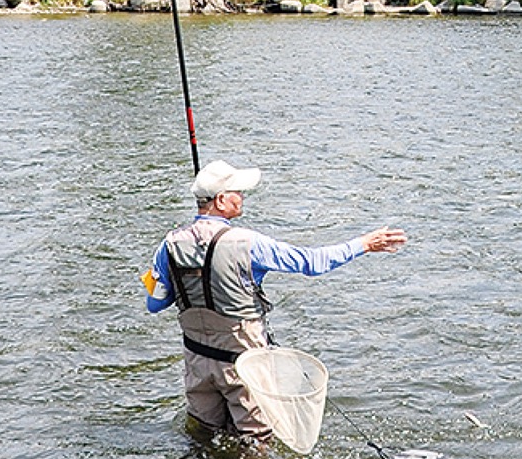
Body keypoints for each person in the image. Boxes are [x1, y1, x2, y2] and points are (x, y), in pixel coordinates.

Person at [143, 157, 406, 438]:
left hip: (197, 364)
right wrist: (364, 244)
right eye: (237, 192)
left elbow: (155, 304)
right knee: (256, 441)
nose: (242, 197)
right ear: (220, 200)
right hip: (244, 366)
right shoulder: (249, 243)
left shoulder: (169, 244)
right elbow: (311, 263)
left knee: (204, 436)